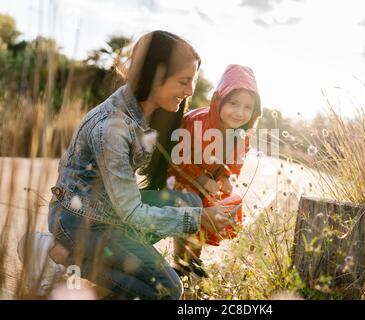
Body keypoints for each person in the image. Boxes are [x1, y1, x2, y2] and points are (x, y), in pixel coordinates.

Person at [17, 30, 238, 300]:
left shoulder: (148, 111)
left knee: (189, 201)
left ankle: (96, 263)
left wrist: (215, 177)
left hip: (109, 211)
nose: (190, 91)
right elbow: (132, 212)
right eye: (184, 81)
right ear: (155, 76)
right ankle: (61, 255)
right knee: (167, 290)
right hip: (81, 222)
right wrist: (200, 218)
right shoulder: (112, 128)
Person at [168, 64, 261, 278]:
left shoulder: (242, 134)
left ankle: (192, 258)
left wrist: (226, 176)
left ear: (255, 111)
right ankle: (180, 262)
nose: (240, 112)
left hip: (207, 182)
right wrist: (199, 176)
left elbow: (235, 160)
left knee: (211, 213)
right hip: (183, 180)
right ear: (219, 100)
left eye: (247, 107)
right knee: (191, 212)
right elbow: (178, 157)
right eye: (233, 103)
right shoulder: (197, 122)